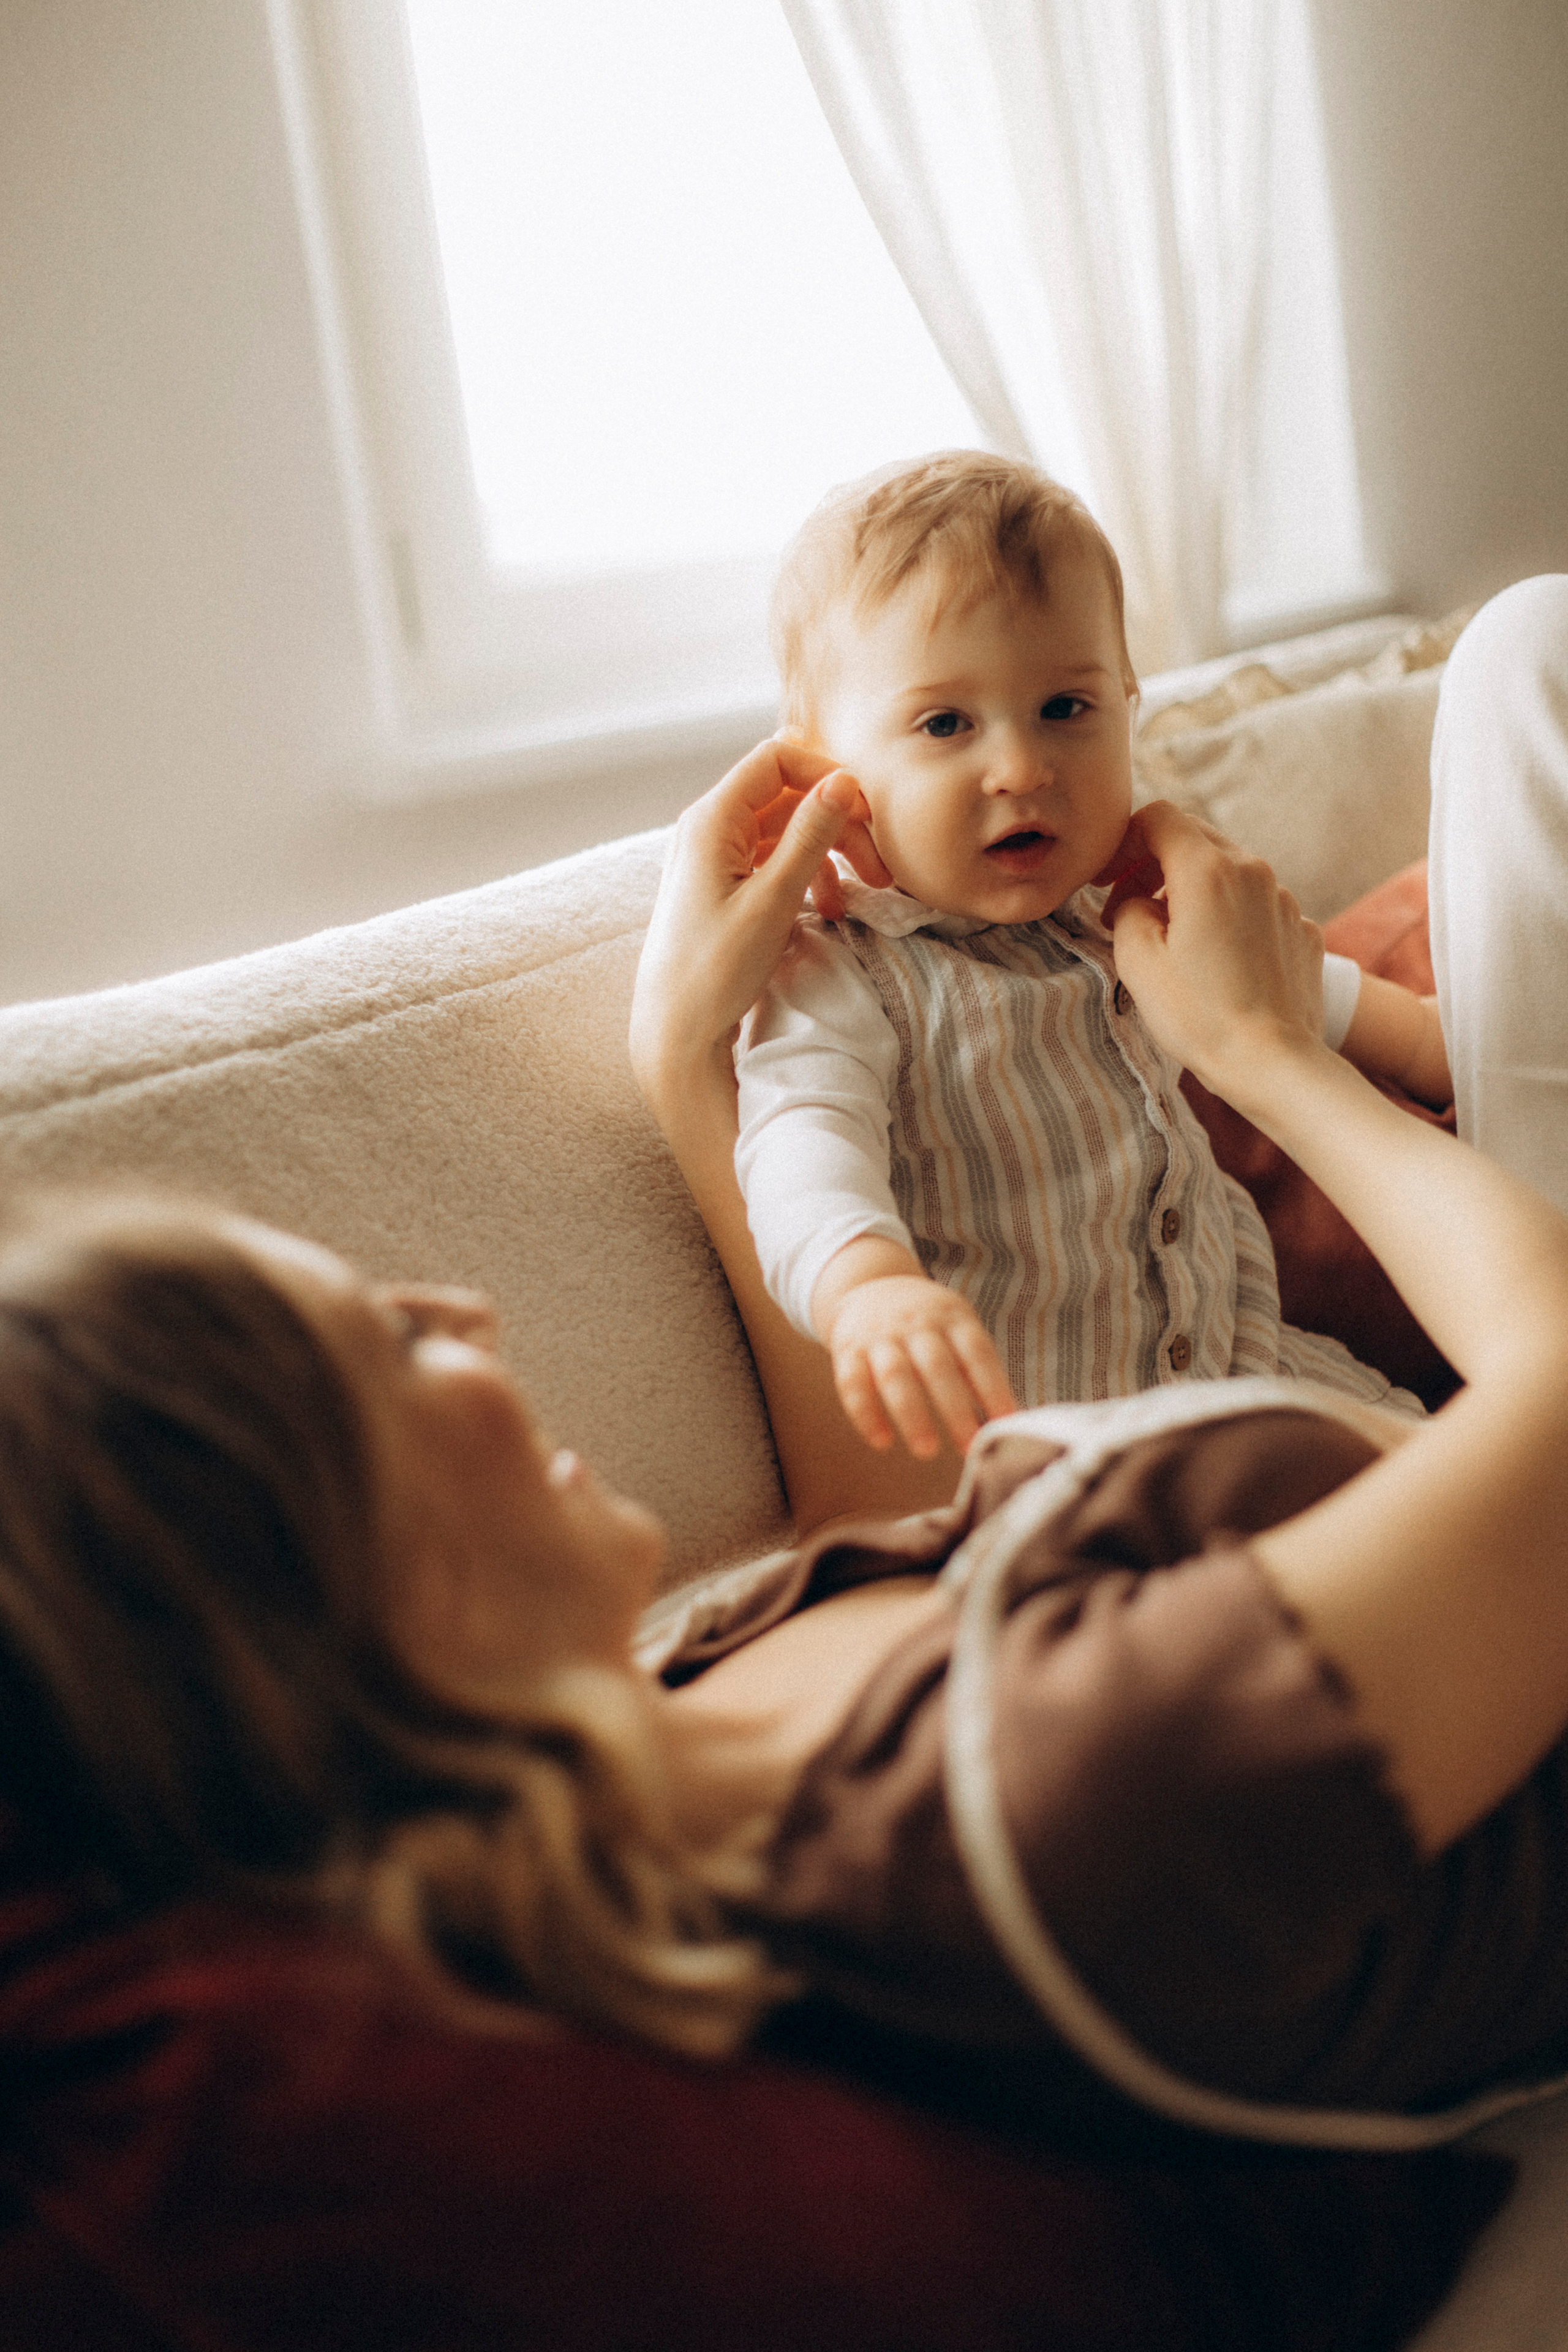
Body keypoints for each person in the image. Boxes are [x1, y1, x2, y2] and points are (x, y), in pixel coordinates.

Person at [6, 580, 1568, 2162]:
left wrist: (690, 1065)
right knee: (1536, 657)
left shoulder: (682, 1728)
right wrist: (1263, 1055)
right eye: (385, 1342)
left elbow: (889, 1496)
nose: (467, 1320)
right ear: (313, 1564)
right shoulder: (1058, 1806)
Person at [732, 451, 1450, 1466]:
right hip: (1059, 1436)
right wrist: (867, 1288)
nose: (1021, 767)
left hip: (1255, 1370)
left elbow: (1289, 997)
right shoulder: (841, 973)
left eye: (1066, 709)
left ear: (1128, 704)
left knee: (1481, 1467)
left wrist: (1432, 1046)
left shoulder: (1131, 909)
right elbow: (800, 1143)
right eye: (945, 723)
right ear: (821, 769)